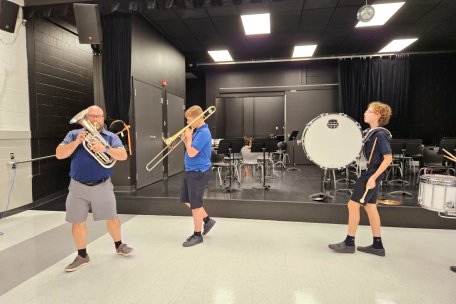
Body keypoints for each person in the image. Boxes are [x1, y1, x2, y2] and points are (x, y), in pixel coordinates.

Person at [56, 105, 132, 272]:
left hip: (102, 185)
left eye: (99, 116)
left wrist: (104, 148)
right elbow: (60, 154)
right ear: (86, 118)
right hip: (77, 185)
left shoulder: (110, 137)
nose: (96, 119)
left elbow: (123, 155)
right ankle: (82, 255)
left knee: (112, 217)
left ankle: (119, 245)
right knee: (77, 222)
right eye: (92, 116)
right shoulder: (73, 135)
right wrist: (77, 142)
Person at [329, 102, 393, 257]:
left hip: (369, 175)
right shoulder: (369, 133)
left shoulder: (380, 135)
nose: (365, 113)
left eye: (369, 111)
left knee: (352, 206)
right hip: (369, 174)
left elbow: (388, 158)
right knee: (370, 207)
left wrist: (373, 177)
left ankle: (349, 243)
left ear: (378, 115)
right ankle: (377, 246)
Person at [180, 105, 216, 247]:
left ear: (197, 118)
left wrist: (188, 140)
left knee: (195, 204)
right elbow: (191, 148)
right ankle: (207, 220)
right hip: (191, 170)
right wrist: (186, 140)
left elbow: (192, 152)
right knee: (186, 199)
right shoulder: (196, 131)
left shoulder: (203, 133)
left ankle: (197, 235)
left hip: (198, 172)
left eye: (189, 120)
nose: (187, 123)